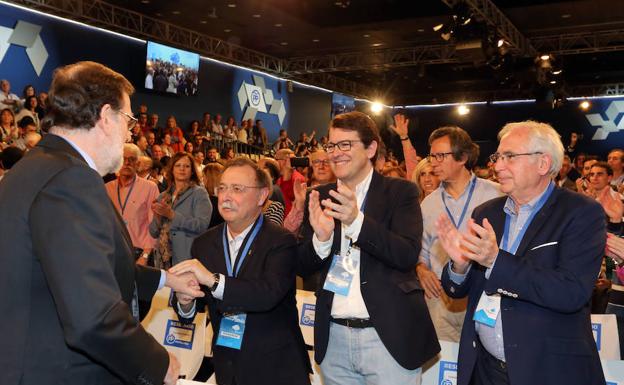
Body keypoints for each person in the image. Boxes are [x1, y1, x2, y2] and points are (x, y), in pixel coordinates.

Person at [0, 61, 203, 385]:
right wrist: (157, 362)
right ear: (106, 117)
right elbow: (92, 315)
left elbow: (83, 268)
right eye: (129, 120)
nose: (130, 131)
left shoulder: (35, 168)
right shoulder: (71, 178)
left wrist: (167, 280)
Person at [437, 120, 606, 385]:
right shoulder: (486, 212)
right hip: (484, 368)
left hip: (547, 370)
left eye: (510, 157)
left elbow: (571, 292)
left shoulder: (581, 213)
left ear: (543, 164)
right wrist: (459, 267)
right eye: (498, 156)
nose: (498, 165)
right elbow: (457, 290)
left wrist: (495, 261)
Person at [298, 111, 440, 385]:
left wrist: (357, 222)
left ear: (371, 148)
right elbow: (302, 266)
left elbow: (406, 254)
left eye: (345, 145)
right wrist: (322, 240)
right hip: (334, 339)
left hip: (387, 338)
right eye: (331, 145)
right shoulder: (320, 196)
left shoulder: (400, 193)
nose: (335, 153)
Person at [169, 157, 311, 385]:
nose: (226, 196)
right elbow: (195, 306)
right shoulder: (204, 244)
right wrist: (185, 302)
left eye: (237, 189)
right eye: (222, 188)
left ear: (262, 195)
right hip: (228, 365)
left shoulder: (281, 241)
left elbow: (267, 294)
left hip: (276, 367)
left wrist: (213, 281)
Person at [419, 126, 502, 343]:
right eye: (431, 156)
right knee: (443, 371)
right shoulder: (428, 203)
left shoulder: (496, 194)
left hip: (484, 296)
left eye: (440, 156)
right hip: (440, 299)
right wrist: (421, 269)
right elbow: (422, 249)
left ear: (462, 157)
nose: (433, 162)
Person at [150, 152, 212, 268]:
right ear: (172, 170)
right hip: (162, 260)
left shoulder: (199, 193)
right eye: (178, 165)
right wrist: (158, 218)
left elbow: (201, 226)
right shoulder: (163, 196)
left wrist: (172, 215)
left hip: (187, 258)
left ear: (192, 171)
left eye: (187, 166)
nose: (182, 169)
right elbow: (153, 233)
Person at [106, 143, 160, 265]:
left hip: (139, 254)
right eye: (123, 159)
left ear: (138, 164)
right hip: (113, 251)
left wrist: (145, 255)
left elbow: (154, 225)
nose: (127, 163)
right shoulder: (107, 188)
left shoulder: (150, 188)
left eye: (132, 159)